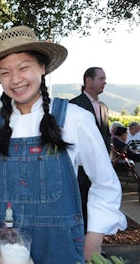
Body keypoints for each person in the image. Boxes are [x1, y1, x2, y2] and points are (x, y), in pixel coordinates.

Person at [0, 26, 126, 263]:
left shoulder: (75, 118)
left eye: (24, 67)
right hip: (2, 245)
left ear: (42, 68)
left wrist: (93, 238)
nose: (15, 79)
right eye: (5, 73)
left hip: (59, 246)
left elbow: (105, 182)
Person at [69, 67, 111, 233]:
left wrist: (105, 162)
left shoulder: (104, 107)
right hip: (79, 173)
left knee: (95, 209)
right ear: (88, 80)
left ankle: (92, 245)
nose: (104, 82)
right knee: (79, 209)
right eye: (101, 78)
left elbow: (106, 136)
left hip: (98, 171)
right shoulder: (74, 105)